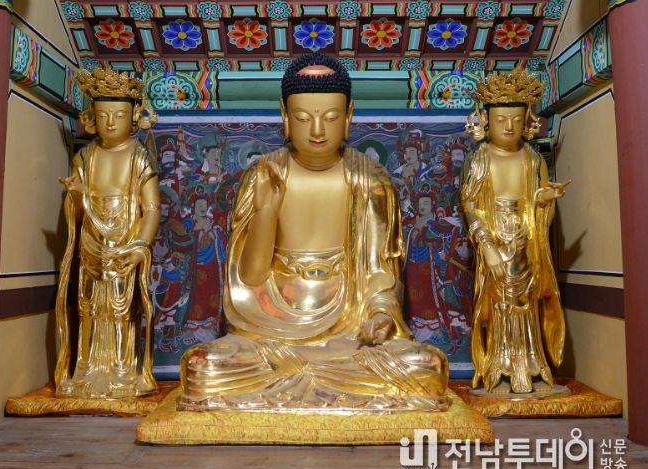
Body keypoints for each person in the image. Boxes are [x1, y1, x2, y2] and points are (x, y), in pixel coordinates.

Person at [179, 53, 449, 411]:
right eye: (303, 118)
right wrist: (266, 212)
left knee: (427, 367)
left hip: (348, 334)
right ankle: (314, 381)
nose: (318, 130)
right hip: (270, 332)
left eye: (331, 117)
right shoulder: (265, 174)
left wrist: (381, 316)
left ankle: (301, 382)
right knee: (202, 367)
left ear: (349, 116)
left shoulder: (370, 180)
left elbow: (380, 274)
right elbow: (250, 277)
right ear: (284, 116)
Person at [461, 68, 569, 394]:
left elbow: (536, 197)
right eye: (501, 120)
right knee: (499, 305)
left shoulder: (534, 160)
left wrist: (543, 201)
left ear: (527, 122)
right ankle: (500, 366)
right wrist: (487, 246)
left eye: (516, 120)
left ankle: (531, 366)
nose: (509, 127)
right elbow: (469, 206)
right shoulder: (478, 160)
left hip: (527, 238)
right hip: (493, 238)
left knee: (527, 303)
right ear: (485, 121)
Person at [54, 69, 160, 399]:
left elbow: (151, 209)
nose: (111, 122)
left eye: (119, 115)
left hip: (126, 242)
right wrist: (77, 197)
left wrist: (140, 245)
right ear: (91, 118)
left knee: (121, 308)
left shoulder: (139, 156)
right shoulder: (85, 157)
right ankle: (85, 371)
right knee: (88, 307)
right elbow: (76, 212)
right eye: (103, 115)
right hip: (91, 243)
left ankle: (124, 370)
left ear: (135, 117)